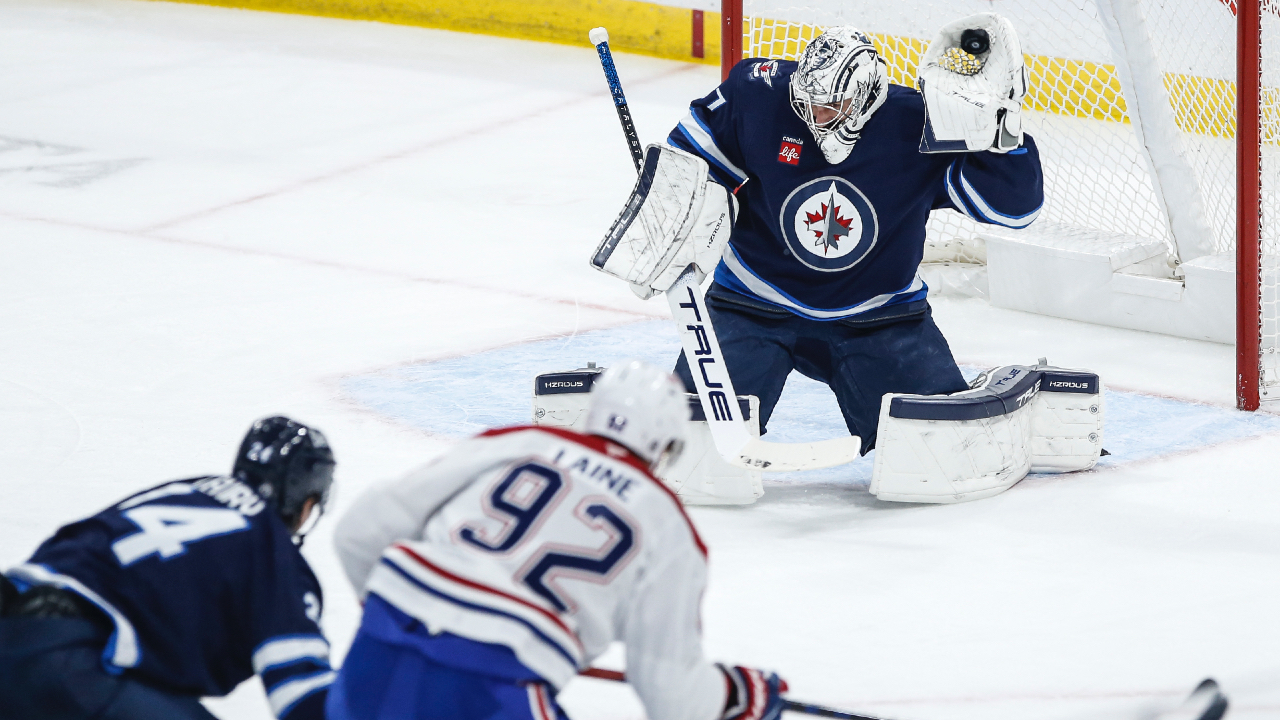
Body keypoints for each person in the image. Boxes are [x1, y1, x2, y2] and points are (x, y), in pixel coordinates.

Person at [329, 359, 787, 720]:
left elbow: (361, 531)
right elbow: (674, 699)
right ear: (668, 446)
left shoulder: (517, 442)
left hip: (379, 650)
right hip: (495, 689)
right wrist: (738, 692)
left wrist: (401, 618)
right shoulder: (669, 528)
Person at [665, 21, 1044, 453]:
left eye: (830, 107)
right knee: (688, 445)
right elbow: (685, 159)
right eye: (807, 105)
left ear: (863, 98)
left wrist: (1003, 133)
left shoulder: (916, 124)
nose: (814, 118)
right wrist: (669, 213)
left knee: (940, 451)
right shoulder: (760, 93)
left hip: (880, 319)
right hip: (751, 303)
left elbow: (1015, 211)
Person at [0, 416, 337, 720]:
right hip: (67, 660)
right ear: (306, 503)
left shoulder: (184, 490)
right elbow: (305, 700)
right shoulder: (276, 555)